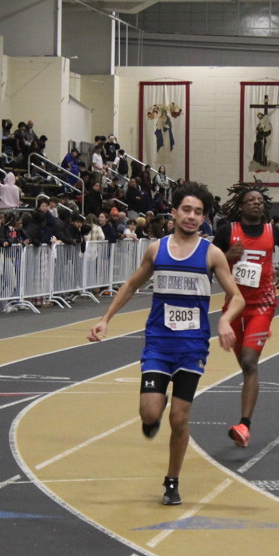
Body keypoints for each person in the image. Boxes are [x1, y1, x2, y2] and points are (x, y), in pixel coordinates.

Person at [88, 182, 244, 506]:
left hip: (192, 347)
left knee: (179, 419)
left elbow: (237, 296)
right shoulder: (156, 250)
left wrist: (225, 320)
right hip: (158, 344)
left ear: (204, 218)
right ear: (174, 212)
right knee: (149, 414)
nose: (191, 216)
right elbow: (131, 285)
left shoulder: (211, 254)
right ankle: (154, 414)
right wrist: (106, 319)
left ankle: (172, 481)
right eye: (186, 209)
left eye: (198, 212)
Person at [213, 182, 279, 448]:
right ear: (241, 206)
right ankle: (244, 425)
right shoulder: (227, 231)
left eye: (260, 200)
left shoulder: (272, 231)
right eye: (251, 200)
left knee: (249, 363)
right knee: (245, 365)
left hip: (262, 304)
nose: (257, 203)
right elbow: (210, 262)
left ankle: (244, 426)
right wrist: (227, 255)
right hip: (235, 306)